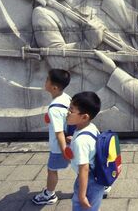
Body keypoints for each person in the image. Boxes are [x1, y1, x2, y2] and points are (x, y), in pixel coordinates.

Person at [32, 69, 72, 205]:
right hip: (71, 140)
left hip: (59, 146)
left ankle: (49, 194)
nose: (45, 81)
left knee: (52, 169)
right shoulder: (66, 98)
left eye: (47, 79)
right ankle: (101, 184)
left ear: (54, 87)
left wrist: (64, 151)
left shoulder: (54, 108)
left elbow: (59, 132)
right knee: (83, 166)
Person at [67, 91, 105, 210]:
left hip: (88, 182)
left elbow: (84, 169)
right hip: (97, 177)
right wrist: (73, 139)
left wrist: (82, 195)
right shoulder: (90, 127)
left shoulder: (81, 142)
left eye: (71, 110)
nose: (67, 113)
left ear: (84, 117)